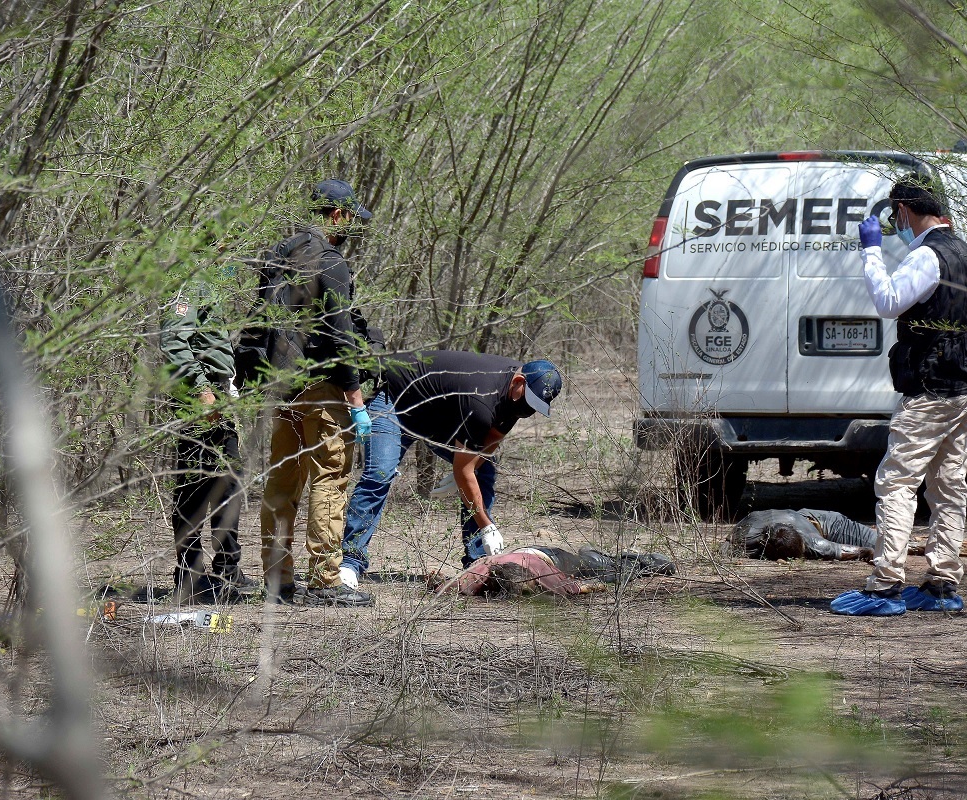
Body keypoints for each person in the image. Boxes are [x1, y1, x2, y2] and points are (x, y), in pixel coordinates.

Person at [831, 175, 967, 616]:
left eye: (895, 216)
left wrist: (870, 252)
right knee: (948, 482)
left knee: (898, 481)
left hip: (930, 387)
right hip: (966, 386)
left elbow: (888, 300)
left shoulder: (927, 256)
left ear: (901, 210)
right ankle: (941, 583)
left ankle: (885, 585)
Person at [246, 179, 377, 607]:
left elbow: (257, 322)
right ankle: (325, 580)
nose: (353, 229)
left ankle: (276, 579)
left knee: (282, 481)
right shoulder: (330, 261)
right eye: (352, 219)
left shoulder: (277, 254)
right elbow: (340, 335)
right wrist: (355, 398)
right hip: (321, 386)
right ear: (336, 215)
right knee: (330, 476)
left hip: (280, 387)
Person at [338, 350, 563, 588]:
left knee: (482, 472)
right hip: (395, 402)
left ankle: (478, 565)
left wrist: (471, 468)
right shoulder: (483, 398)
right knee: (379, 474)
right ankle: (351, 562)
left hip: (435, 418)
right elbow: (464, 470)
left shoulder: (515, 395)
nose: (529, 411)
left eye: (536, 406)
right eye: (529, 401)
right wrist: (486, 525)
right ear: (519, 382)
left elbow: (493, 439)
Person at [160, 280, 257, 603]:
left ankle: (226, 571)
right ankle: (193, 576)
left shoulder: (212, 280)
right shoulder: (188, 279)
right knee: (197, 486)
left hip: (215, 391)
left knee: (225, 483)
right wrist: (202, 391)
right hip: (199, 397)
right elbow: (174, 341)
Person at [434, 545, 676, 598]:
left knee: (608, 573)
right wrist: (436, 580)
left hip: (552, 558)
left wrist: (594, 586)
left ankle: (649, 563)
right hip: (523, 552)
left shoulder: (541, 573)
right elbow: (447, 585)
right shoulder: (479, 576)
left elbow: (576, 587)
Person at [727, 509, 877, 562]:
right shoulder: (746, 540)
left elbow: (861, 551)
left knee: (879, 543)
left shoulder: (812, 541)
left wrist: (867, 552)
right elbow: (724, 548)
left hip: (816, 520)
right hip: (790, 518)